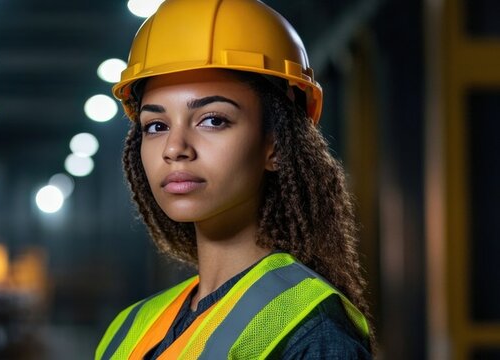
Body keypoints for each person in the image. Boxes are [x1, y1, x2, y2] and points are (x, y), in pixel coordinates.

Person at [95, 0, 374, 359]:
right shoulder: (128, 329)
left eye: (213, 120)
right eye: (156, 126)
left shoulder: (310, 329)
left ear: (275, 145)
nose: (174, 148)